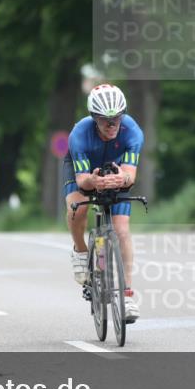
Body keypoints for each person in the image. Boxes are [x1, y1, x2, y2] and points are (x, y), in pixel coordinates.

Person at [63, 84, 143, 322]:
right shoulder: (79, 134)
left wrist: (122, 178)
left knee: (122, 230)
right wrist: (93, 180)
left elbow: (130, 175)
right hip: (85, 171)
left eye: (117, 119)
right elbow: (82, 181)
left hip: (114, 170)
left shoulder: (133, 132)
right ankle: (80, 250)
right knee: (78, 208)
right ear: (94, 118)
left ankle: (127, 295)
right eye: (105, 120)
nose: (112, 125)